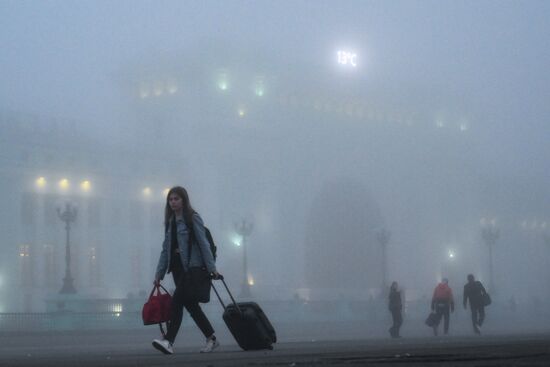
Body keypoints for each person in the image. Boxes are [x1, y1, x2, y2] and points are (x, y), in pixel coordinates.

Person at [152, 186, 221, 355]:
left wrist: (212, 268)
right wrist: (159, 273)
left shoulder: (192, 218)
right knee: (191, 306)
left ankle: (168, 341)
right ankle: (211, 339)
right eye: (171, 199)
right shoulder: (170, 223)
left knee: (177, 303)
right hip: (177, 270)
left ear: (184, 200)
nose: (173, 202)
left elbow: (204, 244)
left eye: (177, 199)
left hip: (192, 270)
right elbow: (165, 250)